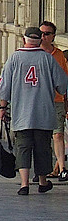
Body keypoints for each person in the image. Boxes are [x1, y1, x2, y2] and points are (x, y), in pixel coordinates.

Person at [0, 26, 68, 195]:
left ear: (24, 40)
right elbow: (62, 85)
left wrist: (2, 107)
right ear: (40, 40)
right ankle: (42, 182)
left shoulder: (14, 58)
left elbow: (4, 87)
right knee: (43, 148)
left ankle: (24, 184)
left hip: (21, 114)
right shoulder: (48, 59)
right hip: (44, 114)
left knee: (23, 147)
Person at [39, 21, 68, 180]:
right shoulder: (34, 53)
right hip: (39, 101)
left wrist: (65, 101)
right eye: (41, 33)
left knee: (58, 135)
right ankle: (44, 169)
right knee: (42, 136)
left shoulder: (59, 55)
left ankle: (62, 168)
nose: (43, 37)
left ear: (53, 37)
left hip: (56, 100)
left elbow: (64, 79)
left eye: (47, 34)